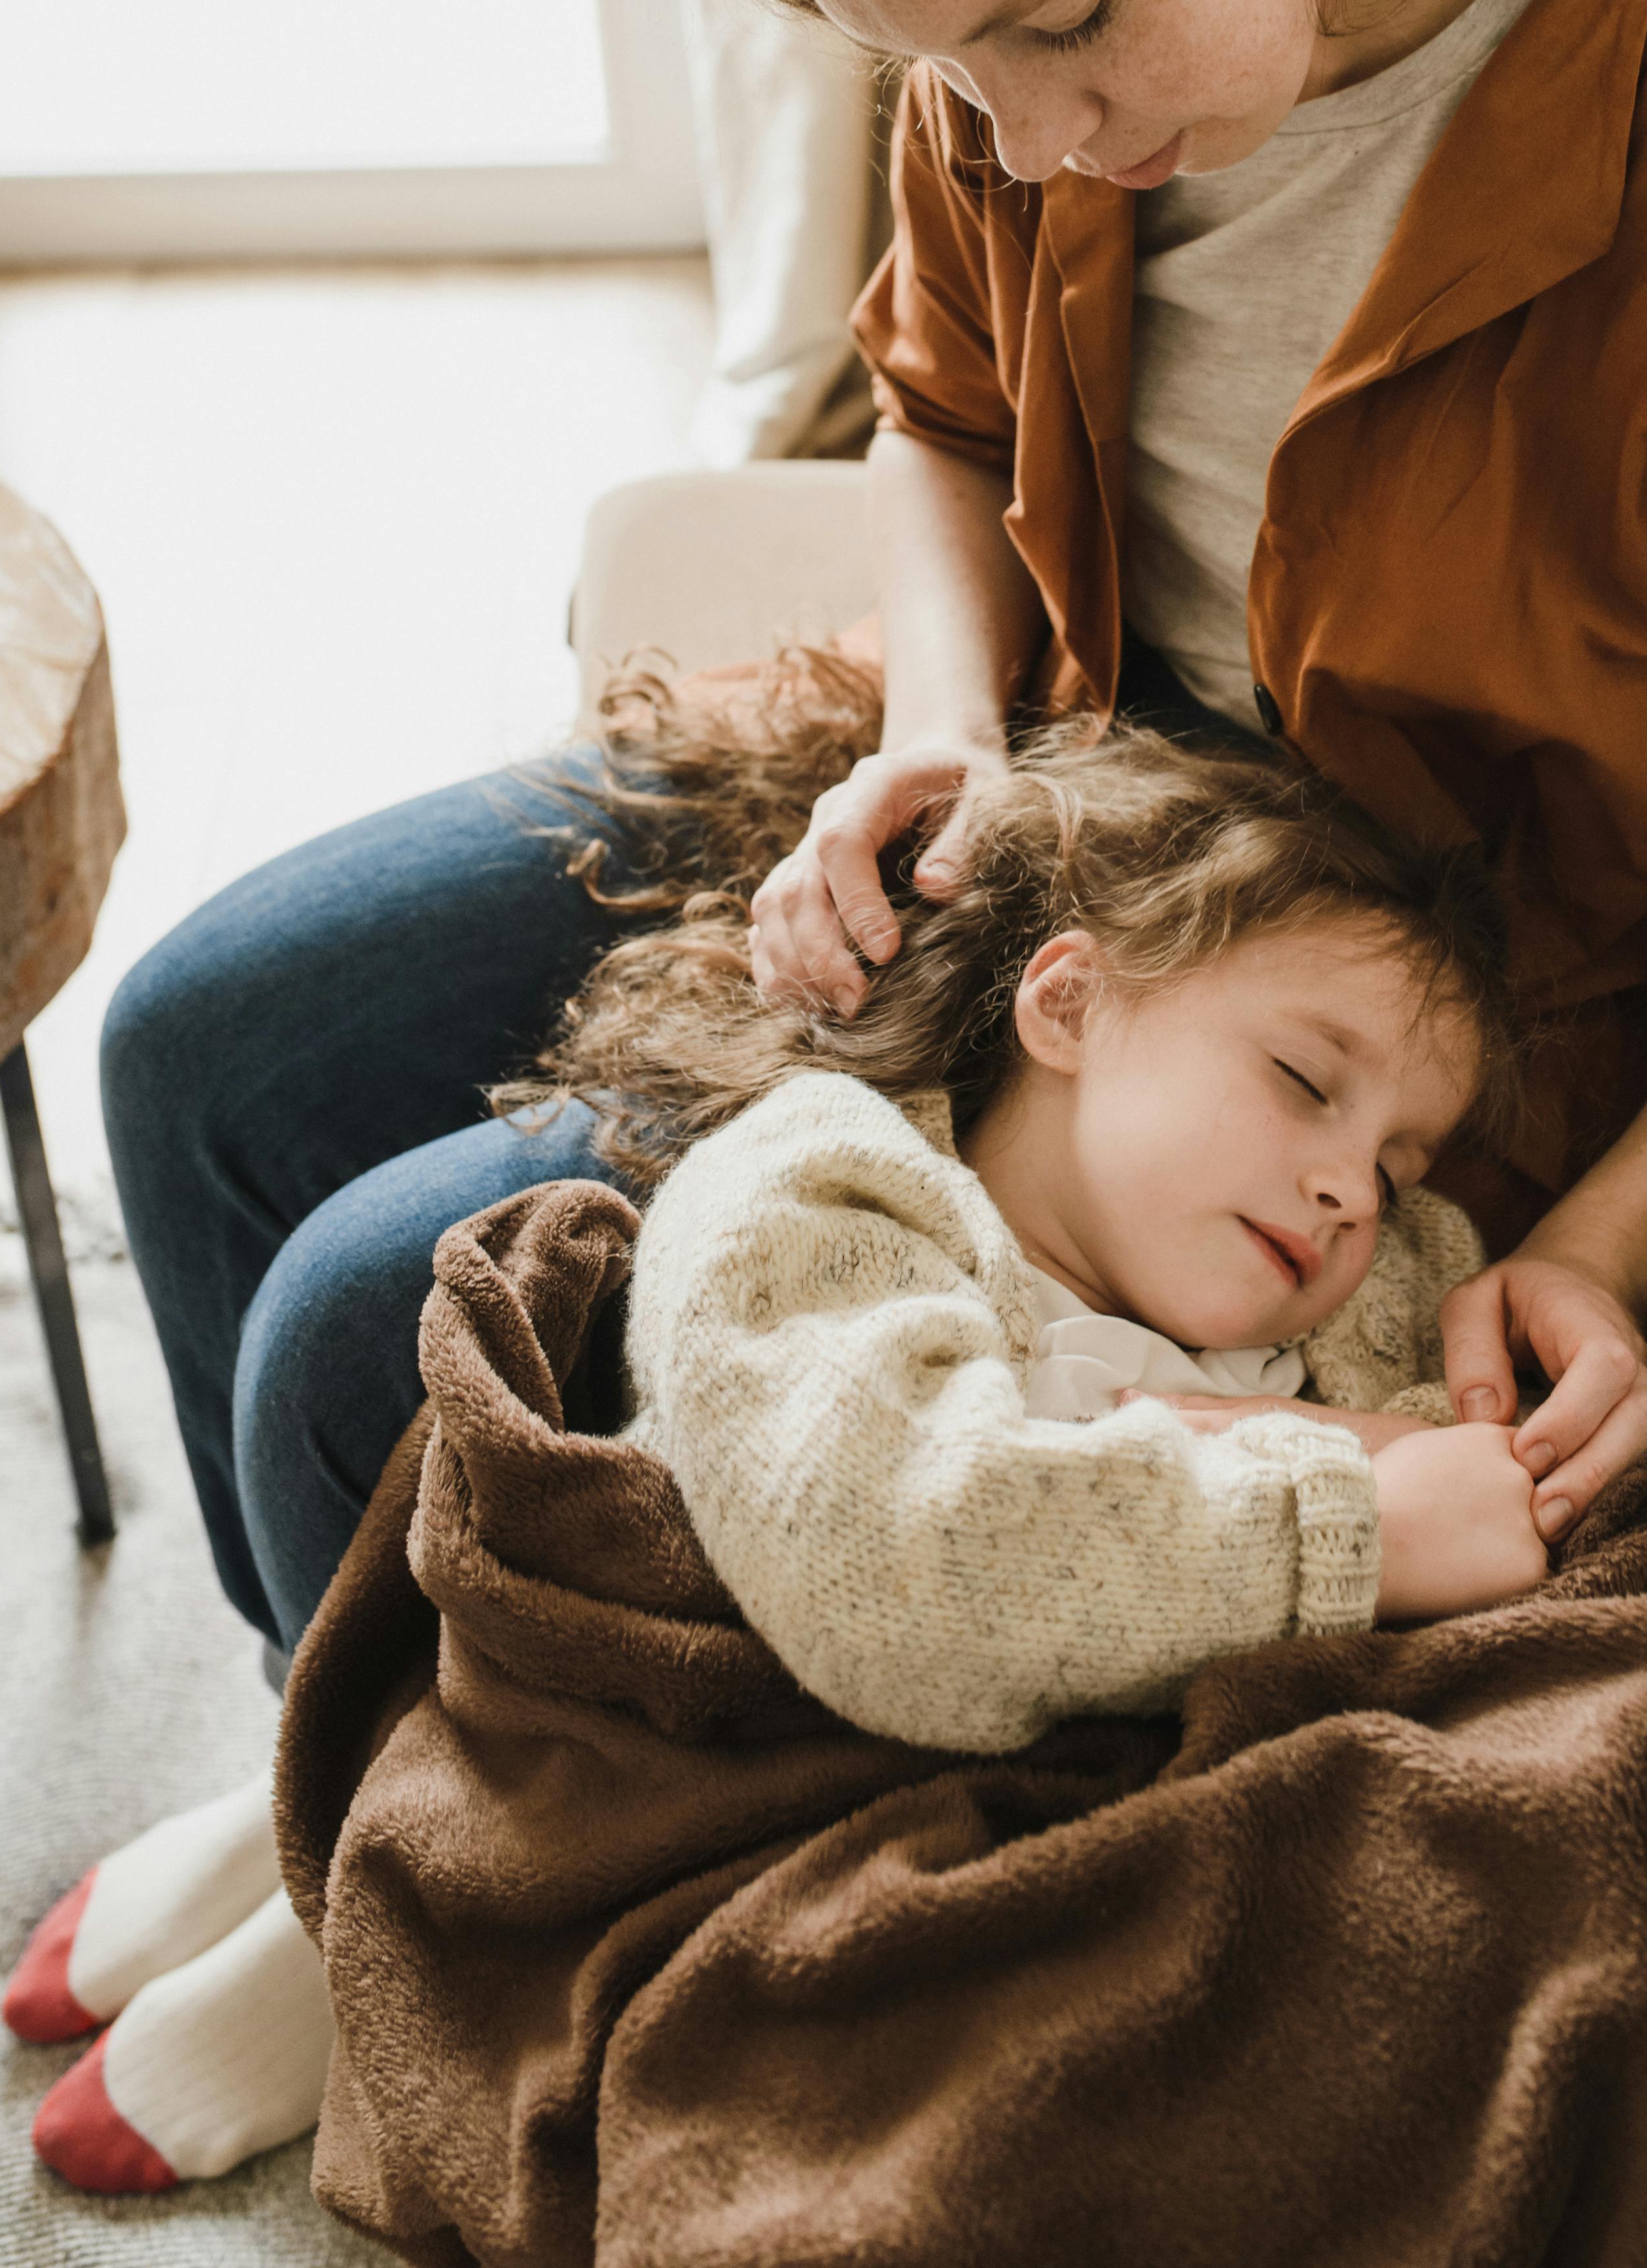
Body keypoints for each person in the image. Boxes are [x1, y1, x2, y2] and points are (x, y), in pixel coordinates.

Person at [18, 0, 1647, 2189]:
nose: (1027, 131)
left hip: (1387, 950)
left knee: (372, 1318)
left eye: (1064, 23)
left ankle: (422, 1855)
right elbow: (943, 405)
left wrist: (1601, 1232)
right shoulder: (1011, 58)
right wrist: (952, 732)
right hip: (1061, 793)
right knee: (200, 1053)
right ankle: (358, 1771)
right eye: (941, 67)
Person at [587, 697, 1546, 1752]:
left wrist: (1391, 1447)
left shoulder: (1388, 1286)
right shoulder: (814, 1193)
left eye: (1395, 1173)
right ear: (1072, 1002)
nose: (1358, 1197)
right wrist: (1358, 1526)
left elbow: (1491, 1469)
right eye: (1303, 1080)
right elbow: (887, 1563)